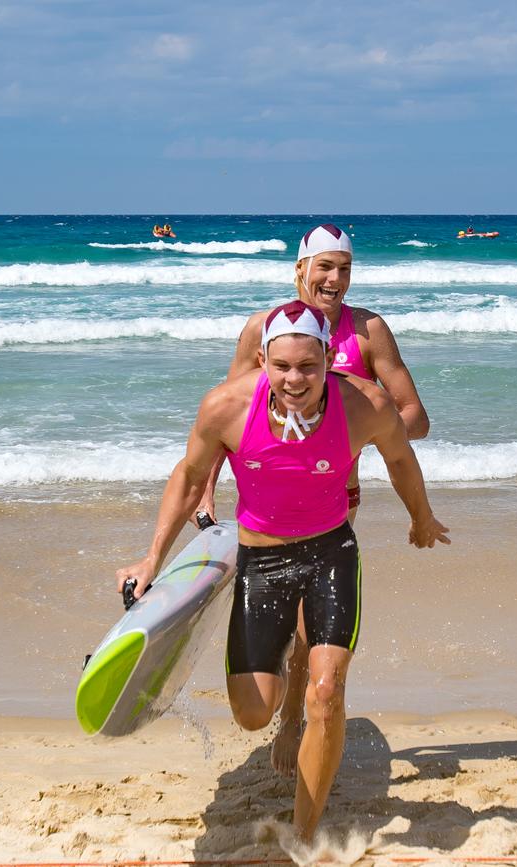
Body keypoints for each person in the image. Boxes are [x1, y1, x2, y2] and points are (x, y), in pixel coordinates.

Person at [116, 300, 450, 843]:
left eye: (309, 366)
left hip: (330, 555)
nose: (296, 379)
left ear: (328, 358)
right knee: (252, 713)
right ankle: (283, 703)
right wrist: (152, 557)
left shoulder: (363, 403)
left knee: (327, 691)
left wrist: (422, 517)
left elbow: (400, 459)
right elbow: (188, 476)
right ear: (264, 360)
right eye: (283, 366)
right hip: (261, 560)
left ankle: (305, 835)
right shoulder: (225, 407)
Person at [196, 223, 429, 775]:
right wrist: (204, 496)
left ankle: (294, 721)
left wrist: (362, 422)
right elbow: (223, 418)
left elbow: (414, 416)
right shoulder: (264, 328)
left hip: (333, 492)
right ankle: (272, 686)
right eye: (325, 267)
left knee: (311, 626)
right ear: (300, 270)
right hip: (266, 493)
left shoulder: (368, 331)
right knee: (283, 612)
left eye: (345, 269)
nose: (335, 280)